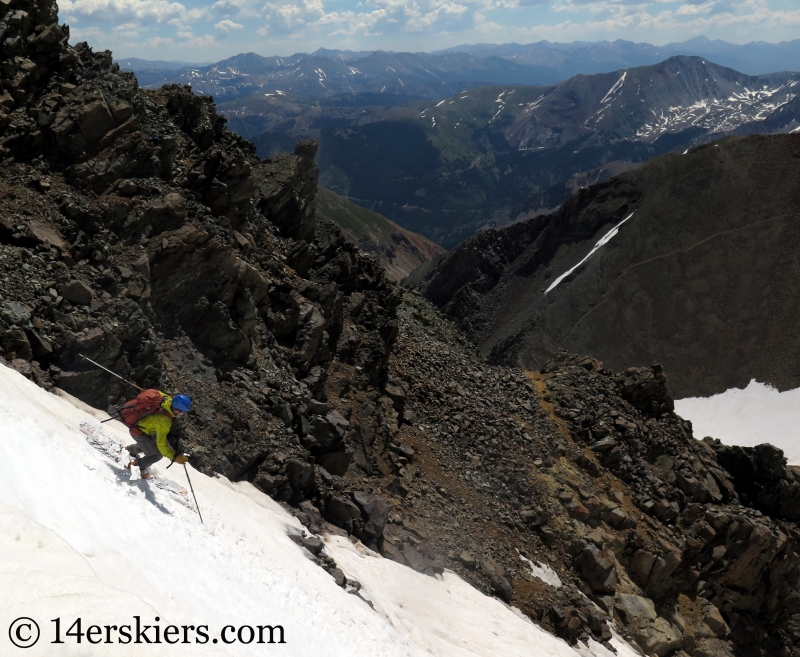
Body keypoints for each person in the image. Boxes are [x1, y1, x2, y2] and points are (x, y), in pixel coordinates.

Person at [124, 391, 191, 479]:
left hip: (140, 426)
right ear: (177, 410)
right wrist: (173, 457)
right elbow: (161, 443)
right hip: (138, 431)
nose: (182, 415)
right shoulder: (165, 421)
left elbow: (155, 392)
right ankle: (136, 465)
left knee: (152, 443)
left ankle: (131, 449)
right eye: (183, 413)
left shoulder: (166, 399)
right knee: (157, 455)